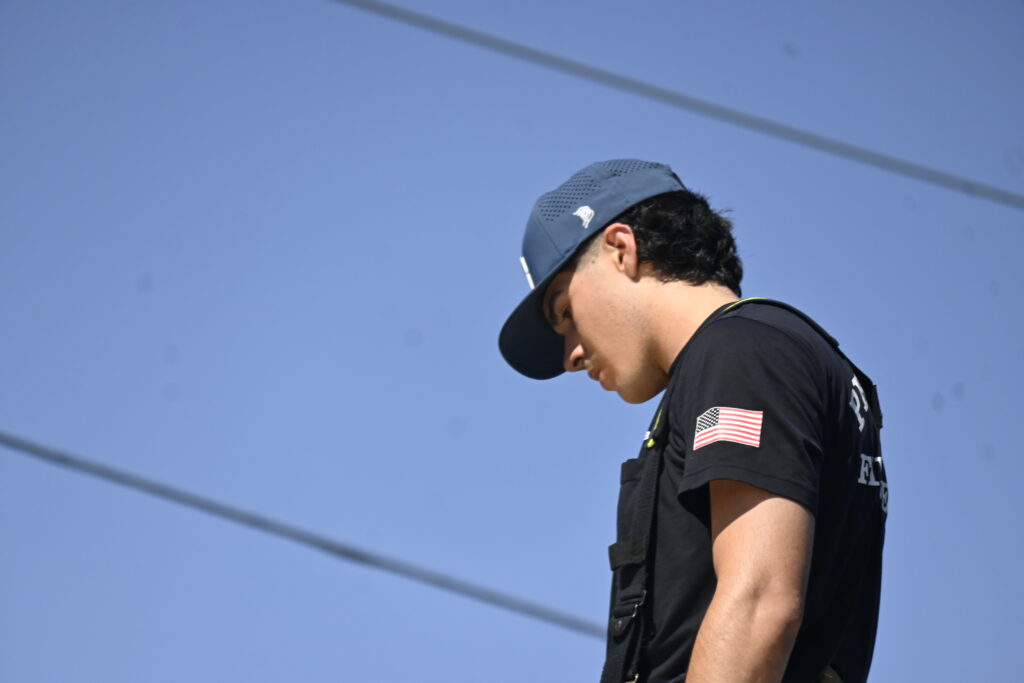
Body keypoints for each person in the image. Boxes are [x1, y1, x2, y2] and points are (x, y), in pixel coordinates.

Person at [498, 160, 887, 683]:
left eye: (565, 311)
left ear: (621, 249)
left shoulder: (742, 352)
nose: (570, 355)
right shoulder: (755, 353)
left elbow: (759, 601)